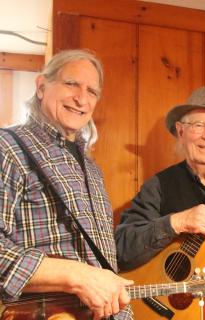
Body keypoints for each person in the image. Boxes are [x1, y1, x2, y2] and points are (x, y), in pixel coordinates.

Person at [0, 50, 132, 319]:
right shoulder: (7, 147)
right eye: (71, 83)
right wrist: (76, 277)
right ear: (41, 86)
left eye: (92, 91)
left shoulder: (91, 167)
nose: (82, 98)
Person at [115, 86, 205, 319]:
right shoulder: (157, 187)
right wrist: (177, 222)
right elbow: (121, 249)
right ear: (181, 131)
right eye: (198, 125)